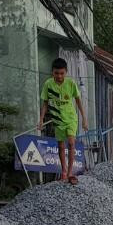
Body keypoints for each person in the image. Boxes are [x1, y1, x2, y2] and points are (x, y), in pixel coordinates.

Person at [39, 57, 87, 185]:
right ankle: (64, 171)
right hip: (57, 120)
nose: (59, 76)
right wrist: (41, 119)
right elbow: (45, 103)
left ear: (66, 72)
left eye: (62, 73)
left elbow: (78, 101)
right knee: (60, 145)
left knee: (71, 143)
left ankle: (70, 172)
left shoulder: (71, 84)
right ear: (52, 72)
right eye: (56, 73)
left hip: (71, 118)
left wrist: (84, 119)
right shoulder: (48, 84)